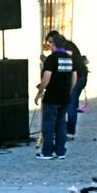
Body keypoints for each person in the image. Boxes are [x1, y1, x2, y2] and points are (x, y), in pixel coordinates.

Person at [35, 31, 75, 160]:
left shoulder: (52, 59)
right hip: (64, 97)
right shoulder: (69, 58)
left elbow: (47, 78)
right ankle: (60, 151)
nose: (49, 46)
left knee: (48, 125)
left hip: (52, 97)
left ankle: (47, 152)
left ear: (54, 44)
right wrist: (69, 91)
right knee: (61, 125)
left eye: (50, 44)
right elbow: (74, 77)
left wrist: (39, 91)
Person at [62, 34, 90, 139]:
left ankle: (69, 131)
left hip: (78, 78)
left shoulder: (68, 49)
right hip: (80, 77)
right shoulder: (69, 46)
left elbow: (72, 72)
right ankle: (67, 129)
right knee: (71, 104)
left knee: (70, 105)